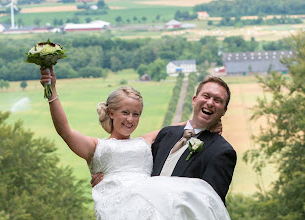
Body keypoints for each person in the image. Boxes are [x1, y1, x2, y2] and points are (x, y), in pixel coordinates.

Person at [40, 67, 231, 220]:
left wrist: (212, 122)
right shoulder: (96, 147)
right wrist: (51, 92)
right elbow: (65, 130)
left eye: (136, 114)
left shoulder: (145, 141)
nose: (130, 119)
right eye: (125, 112)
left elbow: (184, 127)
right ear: (111, 112)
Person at [91, 76, 237, 205]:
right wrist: (108, 179)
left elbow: (212, 206)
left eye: (218, 100)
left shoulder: (222, 152)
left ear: (224, 110)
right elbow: (136, 166)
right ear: (194, 100)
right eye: (206, 96)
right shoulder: (166, 134)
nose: (210, 103)